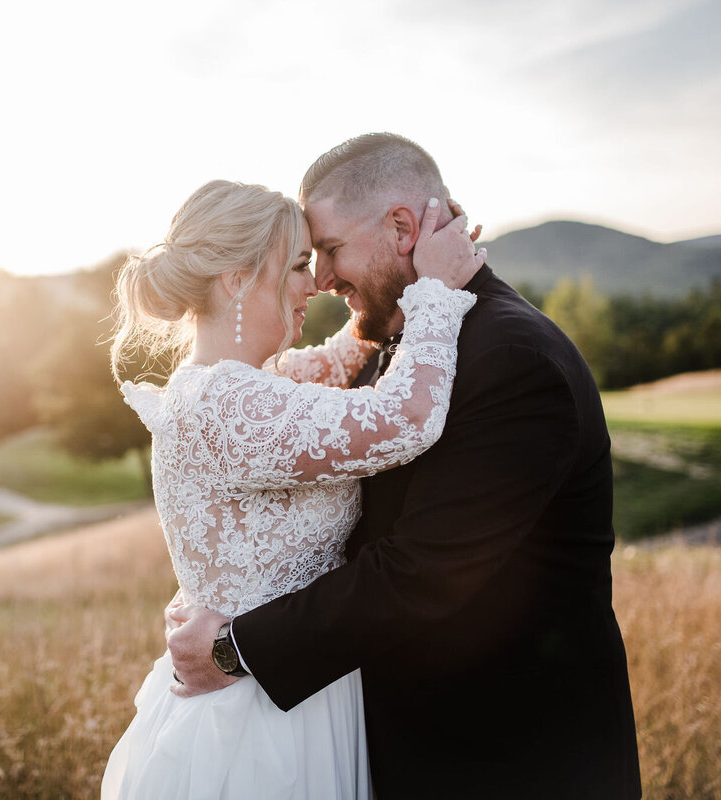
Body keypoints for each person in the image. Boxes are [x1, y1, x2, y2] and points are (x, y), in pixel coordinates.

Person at [166, 134, 642, 799]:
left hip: (509, 762)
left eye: (328, 251)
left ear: (401, 228)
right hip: (393, 747)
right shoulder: (409, 340)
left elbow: (422, 576)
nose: (324, 280)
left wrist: (235, 649)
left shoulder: (511, 358)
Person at [100, 178, 484, 799]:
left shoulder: (248, 383)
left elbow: (338, 361)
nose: (315, 283)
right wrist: (435, 292)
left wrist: (387, 291)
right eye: (300, 265)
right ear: (235, 278)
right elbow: (406, 419)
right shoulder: (227, 404)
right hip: (258, 726)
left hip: (294, 688)